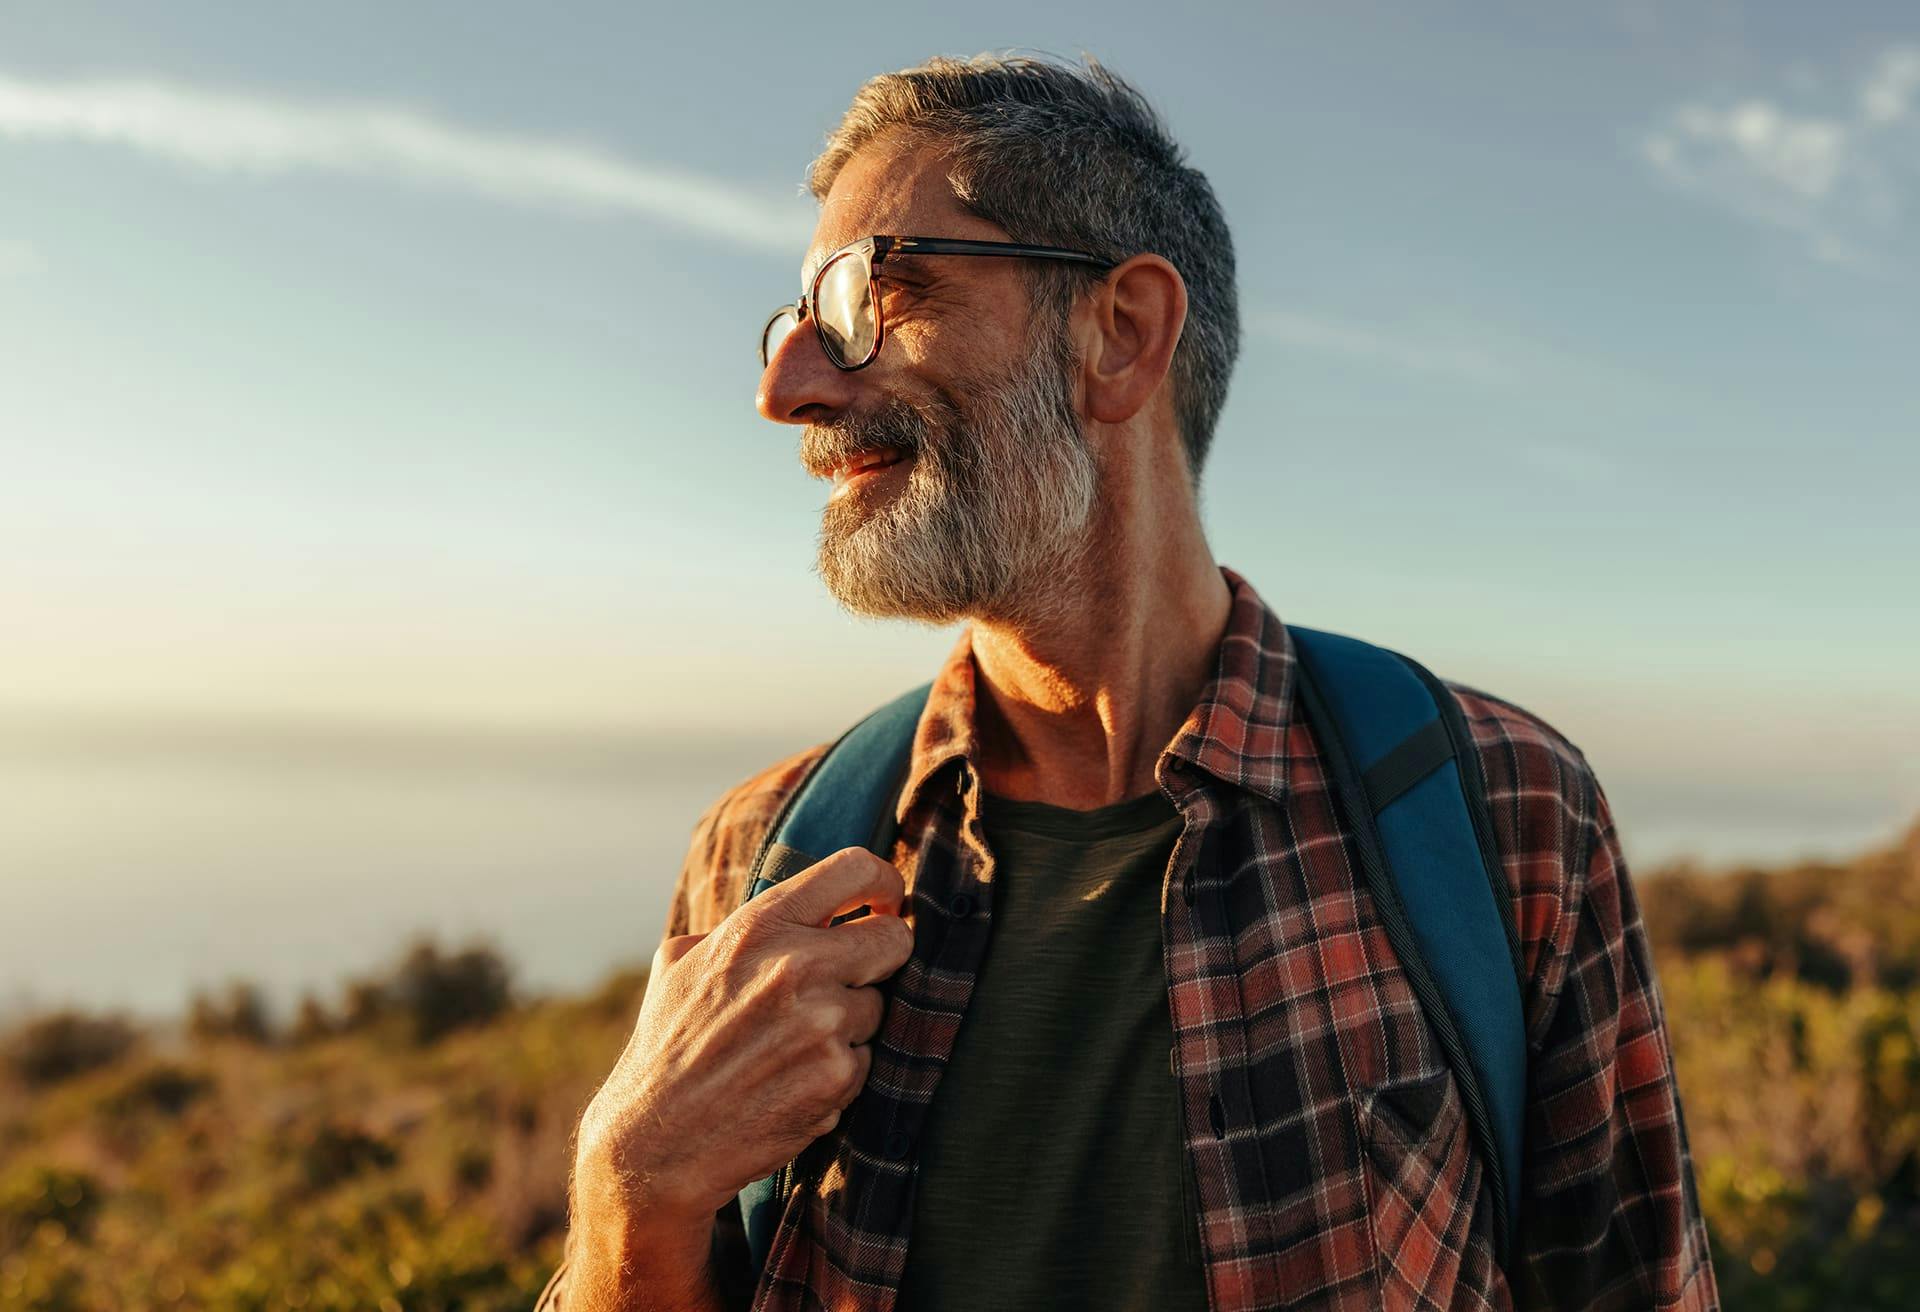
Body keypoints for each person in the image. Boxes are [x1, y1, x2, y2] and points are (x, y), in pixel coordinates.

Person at [535, 53, 1718, 1312]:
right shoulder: (766, 856)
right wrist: (628, 1196)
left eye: (864, 297)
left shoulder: (1500, 811)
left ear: (1123, 333)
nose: (789, 389)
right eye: (796, 328)